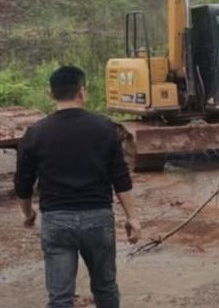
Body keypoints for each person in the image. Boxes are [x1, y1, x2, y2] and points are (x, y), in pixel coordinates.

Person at [14, 65, 142, 308]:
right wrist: (132, 217)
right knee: (105, 288)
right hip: (98, 219)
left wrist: (28, 213)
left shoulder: (36, 133)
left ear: (51, 94)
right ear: (82, 92)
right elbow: (120, 178)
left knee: (60, 297)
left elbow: (23, 184)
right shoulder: (105, 128)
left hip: (56, 221)